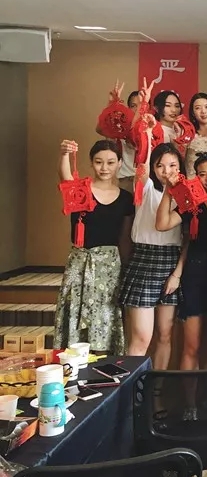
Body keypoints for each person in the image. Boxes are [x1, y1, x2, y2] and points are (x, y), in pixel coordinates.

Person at [155, 151, 207, 419]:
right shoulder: (192, 200)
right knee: (191, 345)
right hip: (195, 276)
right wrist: (169, 191)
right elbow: (162, 224)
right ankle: (190, 405)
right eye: (202, 174)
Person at [55, 139, 132, 354]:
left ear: (119, 163)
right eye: (99, 162)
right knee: (75, 310)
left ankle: (104, 363)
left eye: (110, 162)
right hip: (80, 263)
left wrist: (126, 269)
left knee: (106, 314)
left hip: (110, 266)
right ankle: (74, 362)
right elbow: (65, 177)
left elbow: (125, 238)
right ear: (91, 163)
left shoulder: (126, 199)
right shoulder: (80, 190)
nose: (104, 168)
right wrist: (64, 154)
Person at [119, 140, 184, 370]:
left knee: (165, 335)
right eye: (160, 166)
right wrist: (146, 135)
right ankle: (132, 389)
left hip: (171, 261)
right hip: (144, 260)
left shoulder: (184, 197)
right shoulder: (145, 187)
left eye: (173, 165)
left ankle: (156, 388)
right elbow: (142, 165)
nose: (167, 171)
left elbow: (188, 237)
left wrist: (177, 274)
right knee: (141, 339)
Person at [185, 93, 207, 177]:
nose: (203, 111)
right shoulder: (188, 136)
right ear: (193, 113)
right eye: (198, 108)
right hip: (192, 182)